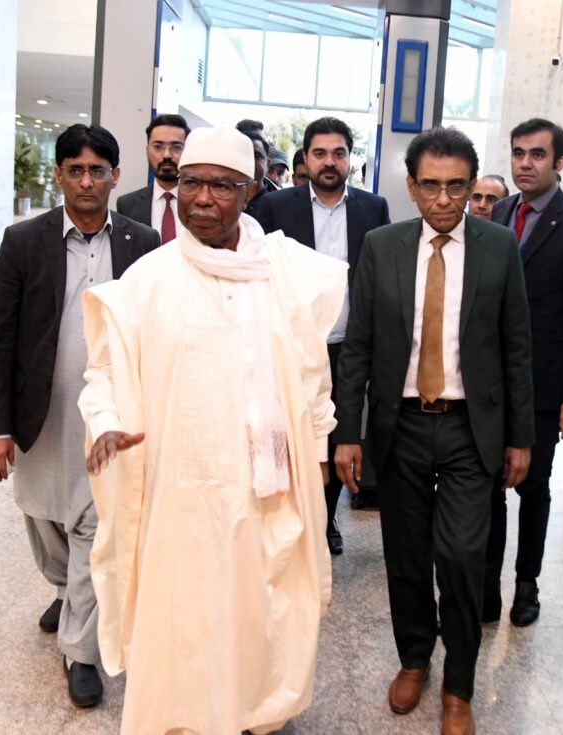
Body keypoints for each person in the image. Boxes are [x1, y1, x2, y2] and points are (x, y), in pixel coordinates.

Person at [78, 126, 347, 735]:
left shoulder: (290, 273)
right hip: (178, 494)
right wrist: (107, 420)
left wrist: (319, 450)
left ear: (250, 190)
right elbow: (102, 372)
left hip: (263, 490)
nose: (201, 197)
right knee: (183, 622)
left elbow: (313, 382)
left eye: (221, 185)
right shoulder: (149, 278)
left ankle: (255, 712)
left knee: (259, 614)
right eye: (191, 181)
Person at [334, 127, 535, 735]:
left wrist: (520, 437)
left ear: (473, 187)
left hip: (472, 428)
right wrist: (348, 432)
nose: (444, 199)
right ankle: (415, 659)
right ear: (411, 186)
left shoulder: (499, 247)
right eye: (431, 186)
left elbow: (517, 347)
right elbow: (359, 347)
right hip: (402, 427)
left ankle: (460, 686)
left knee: (463, 556)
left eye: (456, 186)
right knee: (406, 555)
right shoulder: (381, 245)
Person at [0, 124, 160, 708]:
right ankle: (66, 587)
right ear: (58, 175)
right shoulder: (23, 241)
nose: (87, 181)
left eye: (98, 170)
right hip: (42, 412)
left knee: (95, 523)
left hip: (110, 414)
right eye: (75, 170)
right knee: (44, 517)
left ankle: (80, 651)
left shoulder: (143, 242)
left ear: (116, 176)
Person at [486, 118, 563, 627]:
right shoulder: (499, 212)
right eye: (518, 154)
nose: (525, 164)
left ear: (559, 162)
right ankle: (485, 587)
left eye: (537, 155)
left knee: (532, 487)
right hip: (491, 383)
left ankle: (526, 584)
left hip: (542, 386)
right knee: (488, 486)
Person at [257, 116, 391, 555]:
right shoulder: (276, 208)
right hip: (291, 349)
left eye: (338, 153)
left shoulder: (374, 209)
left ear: (350, 158)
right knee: (290, 436)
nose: (329, 162)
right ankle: (288, 521)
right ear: (306, 158)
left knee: (338, 438)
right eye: (320, 153)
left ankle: (326, 518)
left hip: (348, 348)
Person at [116, 114, 190, 242]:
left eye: (177, 147)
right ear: (147, 150)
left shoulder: (201, 202)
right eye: (158, 147)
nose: (167, 155)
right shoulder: (127, 204)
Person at [241, 130, 271, 221]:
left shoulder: (278, 204)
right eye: (244, 155)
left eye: (257, 156)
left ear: (268, 164)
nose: (250, 161)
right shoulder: (222, 198)